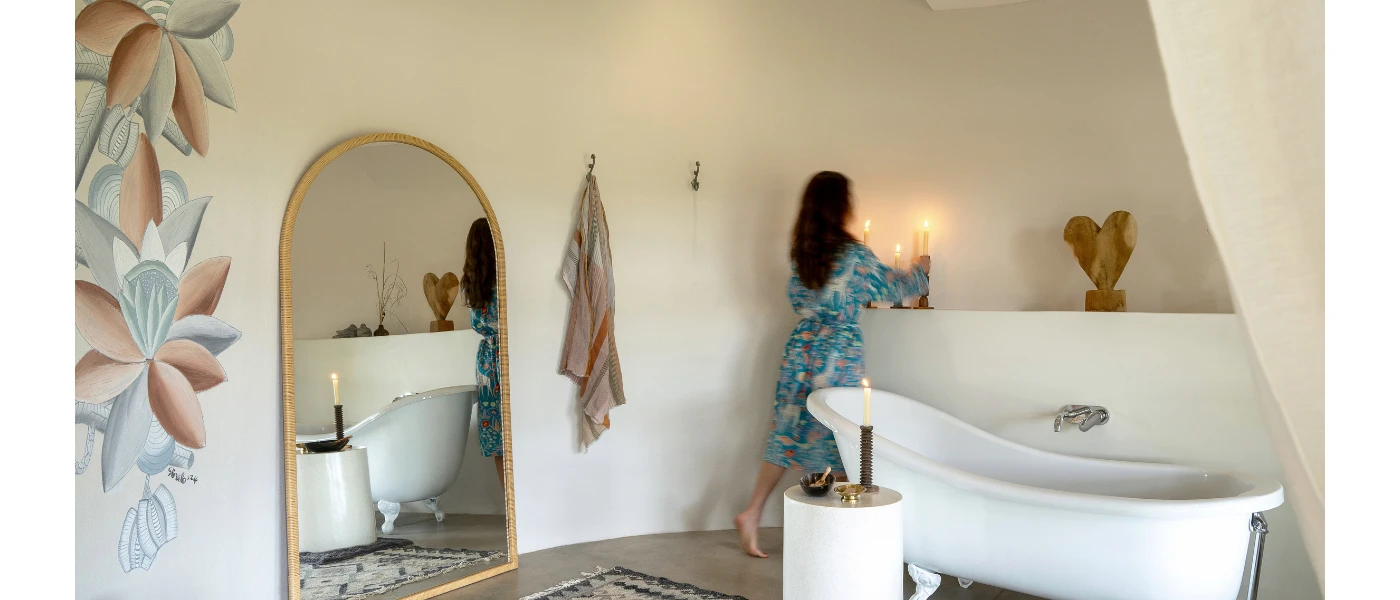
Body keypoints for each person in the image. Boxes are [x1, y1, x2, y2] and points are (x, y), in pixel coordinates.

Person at [735, 171, 929, 558]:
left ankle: (753, 511)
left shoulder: (802, 254)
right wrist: (921, 267)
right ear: (841, 207)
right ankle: (847, 532)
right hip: (837, 353)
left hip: (800, 351)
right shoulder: (855, 256)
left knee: (787, 430)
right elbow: (897, 287)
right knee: (843, 437)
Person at [462, 217, 506, 488]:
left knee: (498, 441)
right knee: (517, 433)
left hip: (487, 365)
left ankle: (508, 505)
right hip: (509, 358)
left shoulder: (472, 284)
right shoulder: (505, 279)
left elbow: (478, 325)